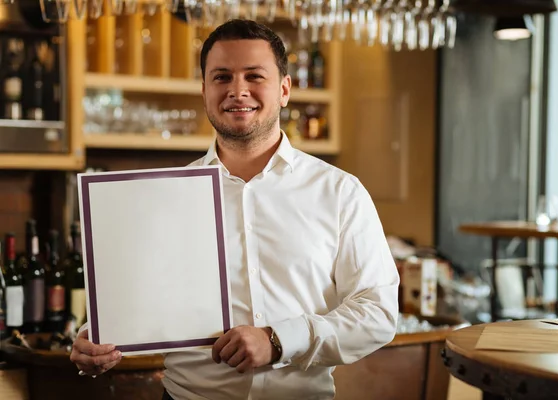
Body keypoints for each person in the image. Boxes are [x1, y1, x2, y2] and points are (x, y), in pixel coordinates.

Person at [70, 19, 399, 400]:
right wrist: (96, 337)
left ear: (285, 89)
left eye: (254, 76)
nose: (237, 90)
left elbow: (378, 312)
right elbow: (137, 303)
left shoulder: (340, 192)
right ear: (205, 90)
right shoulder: (162, 198)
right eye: (222, 77)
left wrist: (278, 340)